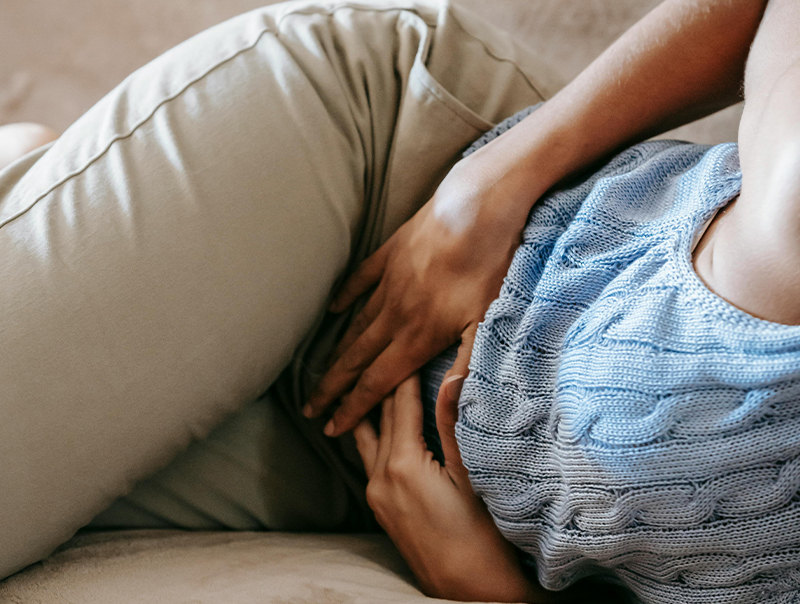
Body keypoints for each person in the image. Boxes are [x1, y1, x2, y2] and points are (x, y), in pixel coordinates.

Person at [0, 0, 797, 601]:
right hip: (390, 197)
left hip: (371, 477)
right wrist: (497, 181)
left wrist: (493, 594)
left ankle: (43, 184)